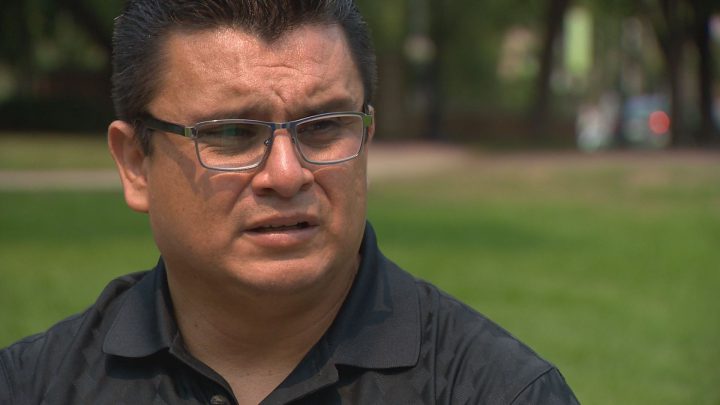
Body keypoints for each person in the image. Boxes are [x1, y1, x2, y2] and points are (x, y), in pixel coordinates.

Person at [0, 1, 580, 404]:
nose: (285, 174)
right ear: (134, 164)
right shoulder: (31, 387)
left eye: (324, 127)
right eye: (232, 133)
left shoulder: (499, 392)